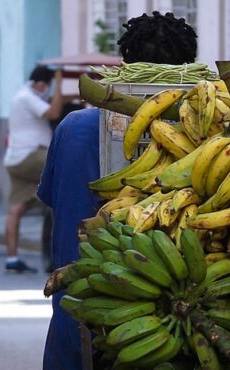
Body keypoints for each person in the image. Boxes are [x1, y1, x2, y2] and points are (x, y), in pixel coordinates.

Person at [38, 11, 199, 370]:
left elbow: (53, 202)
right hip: (177, 315)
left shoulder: (74, 128)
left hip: (78, 305)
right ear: (189, 68)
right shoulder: (206, 135)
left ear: (124, 64)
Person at [3, 65, 65, 273]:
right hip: (31, 156)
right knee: (63, 174)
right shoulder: (27, 97)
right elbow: (55, 112)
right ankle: (59, 253)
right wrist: (59, 84)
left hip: (15, 159)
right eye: (48, 86)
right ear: (41, 85)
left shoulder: (22, 96)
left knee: (16, 209)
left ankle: (12, 258)